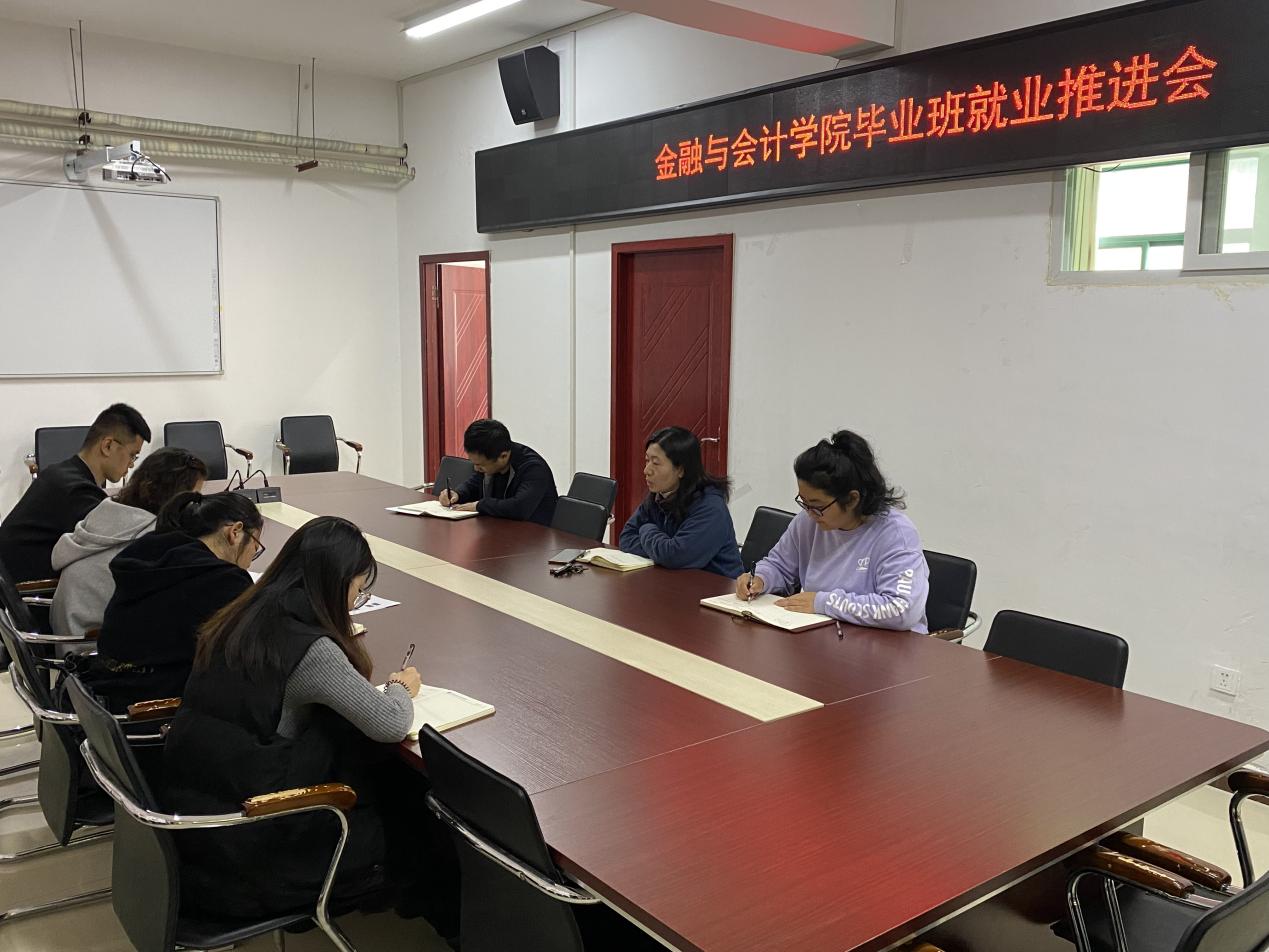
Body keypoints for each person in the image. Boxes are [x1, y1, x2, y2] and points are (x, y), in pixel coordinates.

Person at [162, 516, 425, 922]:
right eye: (357, 590)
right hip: (258, 847)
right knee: (413, 803)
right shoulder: (309, 648)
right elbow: (390, 723)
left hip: (200, 818)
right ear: (335, 584)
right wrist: (400, 686)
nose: (354, 603)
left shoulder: (242, 612)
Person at [736, 430, 929, 633]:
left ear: (852, 499)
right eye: (804, 502)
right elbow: (780, 565)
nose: (810, 513)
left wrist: (822, 602)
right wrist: (760, 579)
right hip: (827, 635)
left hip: (890, 644)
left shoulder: (896, 535)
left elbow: (901, 610)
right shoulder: (808, 522)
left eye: (818, 506)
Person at [87, 492, 261, 710]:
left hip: (106, 691)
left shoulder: (147, 553)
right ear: (235, 532)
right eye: (255, 549)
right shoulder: (224, 581)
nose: (249, 563)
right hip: (153, 709)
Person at [50, 448, 209, 639]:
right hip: (96, 646)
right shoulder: (151, 539)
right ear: (174, 496)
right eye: (192, 499)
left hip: (69, 639)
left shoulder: (104, 514)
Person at [0, 403, 150, 583]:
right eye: (132, 455)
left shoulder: (60, 474)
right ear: (108, 446)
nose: (132, 464)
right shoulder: (77, 491)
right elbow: (121, 542)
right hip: (28, 592)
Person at [619, 426, 743, 577]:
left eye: (656, 463)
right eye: (647, 461)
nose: (647, 470)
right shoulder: (659, 496)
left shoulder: (710, 507)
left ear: (681, 470)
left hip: (716, 588)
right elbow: (626, 539)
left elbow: (675, 556)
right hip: (672, 582)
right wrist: (661, 552)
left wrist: (646, 529)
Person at [437, 418, 558, 527]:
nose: (476, 469)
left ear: (503, 456)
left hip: (534, 537)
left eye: (480, 465)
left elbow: (519, 508)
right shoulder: (492, 458)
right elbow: (475, 483)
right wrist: (457, 494)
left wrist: (480, 506)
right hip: (498, 528)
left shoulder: (533, 468)